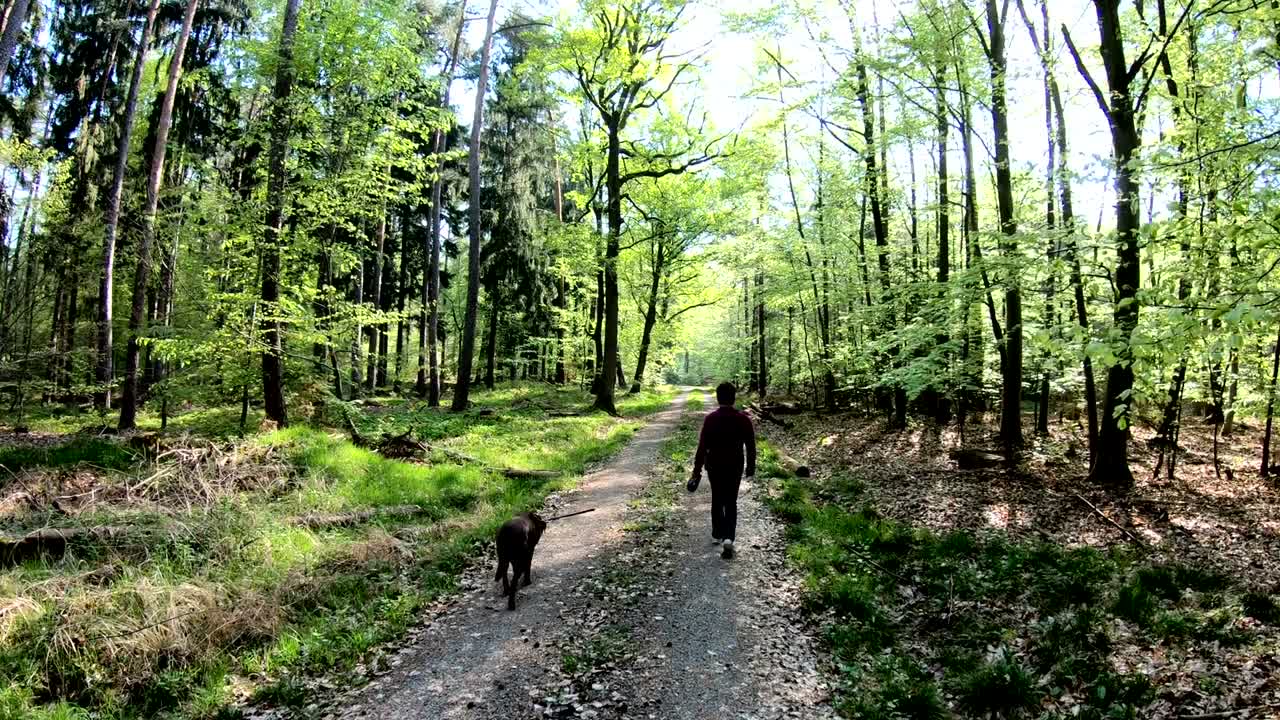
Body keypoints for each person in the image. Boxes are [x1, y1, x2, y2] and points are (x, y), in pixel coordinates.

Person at [687, 381, 756, 559]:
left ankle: (718, 533)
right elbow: (750, 445)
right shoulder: (743, 419)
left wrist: (697, 471)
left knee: (717, 497)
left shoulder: (711, 419)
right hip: (735, 465)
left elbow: (702, 447)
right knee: (731, 500)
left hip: (714, 465)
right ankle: (729, 538)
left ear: (718, 398)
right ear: (734, 398)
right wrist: (750, 466)